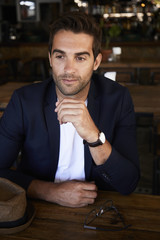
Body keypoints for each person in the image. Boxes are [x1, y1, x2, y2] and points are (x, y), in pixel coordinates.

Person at [0, 12, 140, 208]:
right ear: (50, 59)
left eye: (80, 58)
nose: (69, 69)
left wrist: (94, 136)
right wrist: (50, 192)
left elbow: (128, 183)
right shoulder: (24, 101)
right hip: (36, 208)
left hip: (101, 211)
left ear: (96, 62)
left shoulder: (118, 99)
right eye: (60, 56)